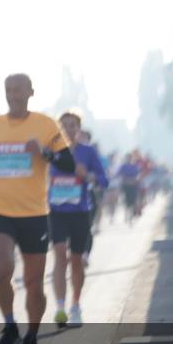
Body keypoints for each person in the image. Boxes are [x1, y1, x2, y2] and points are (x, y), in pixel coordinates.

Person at [0, 74, 75, 344]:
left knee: (33, 283)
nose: (12, 95)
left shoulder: (45, 124)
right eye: (8, 90)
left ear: (30, 92)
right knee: (1, 269)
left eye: (18, 90)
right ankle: (9, 325)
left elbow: (68, 163)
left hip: (34, 214)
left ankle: (30, 338)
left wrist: (42, 152)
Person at [49, 111, 108, 328]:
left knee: (75, 260)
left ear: (78, 129)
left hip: (80, 211)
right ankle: (60, 307)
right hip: (56, 211)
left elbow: (104, 179)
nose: (68, 129)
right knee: (59, 256)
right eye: (63, 126)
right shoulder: (51, 152)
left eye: (72, 125)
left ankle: (75, 305)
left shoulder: (87, 152)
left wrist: (90, 176)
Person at [115, 153, 142, 224]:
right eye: (128, 158)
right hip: (125, 185)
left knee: (133, 200)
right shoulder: (123, 166)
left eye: (130, 158)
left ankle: (131, 216)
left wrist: (135, 179)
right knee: (126, 201)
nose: (129, 159)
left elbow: (138, 175)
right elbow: (118, 174)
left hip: (133, 185)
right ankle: (126, 214)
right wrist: (125, 179)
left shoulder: (135, 166)